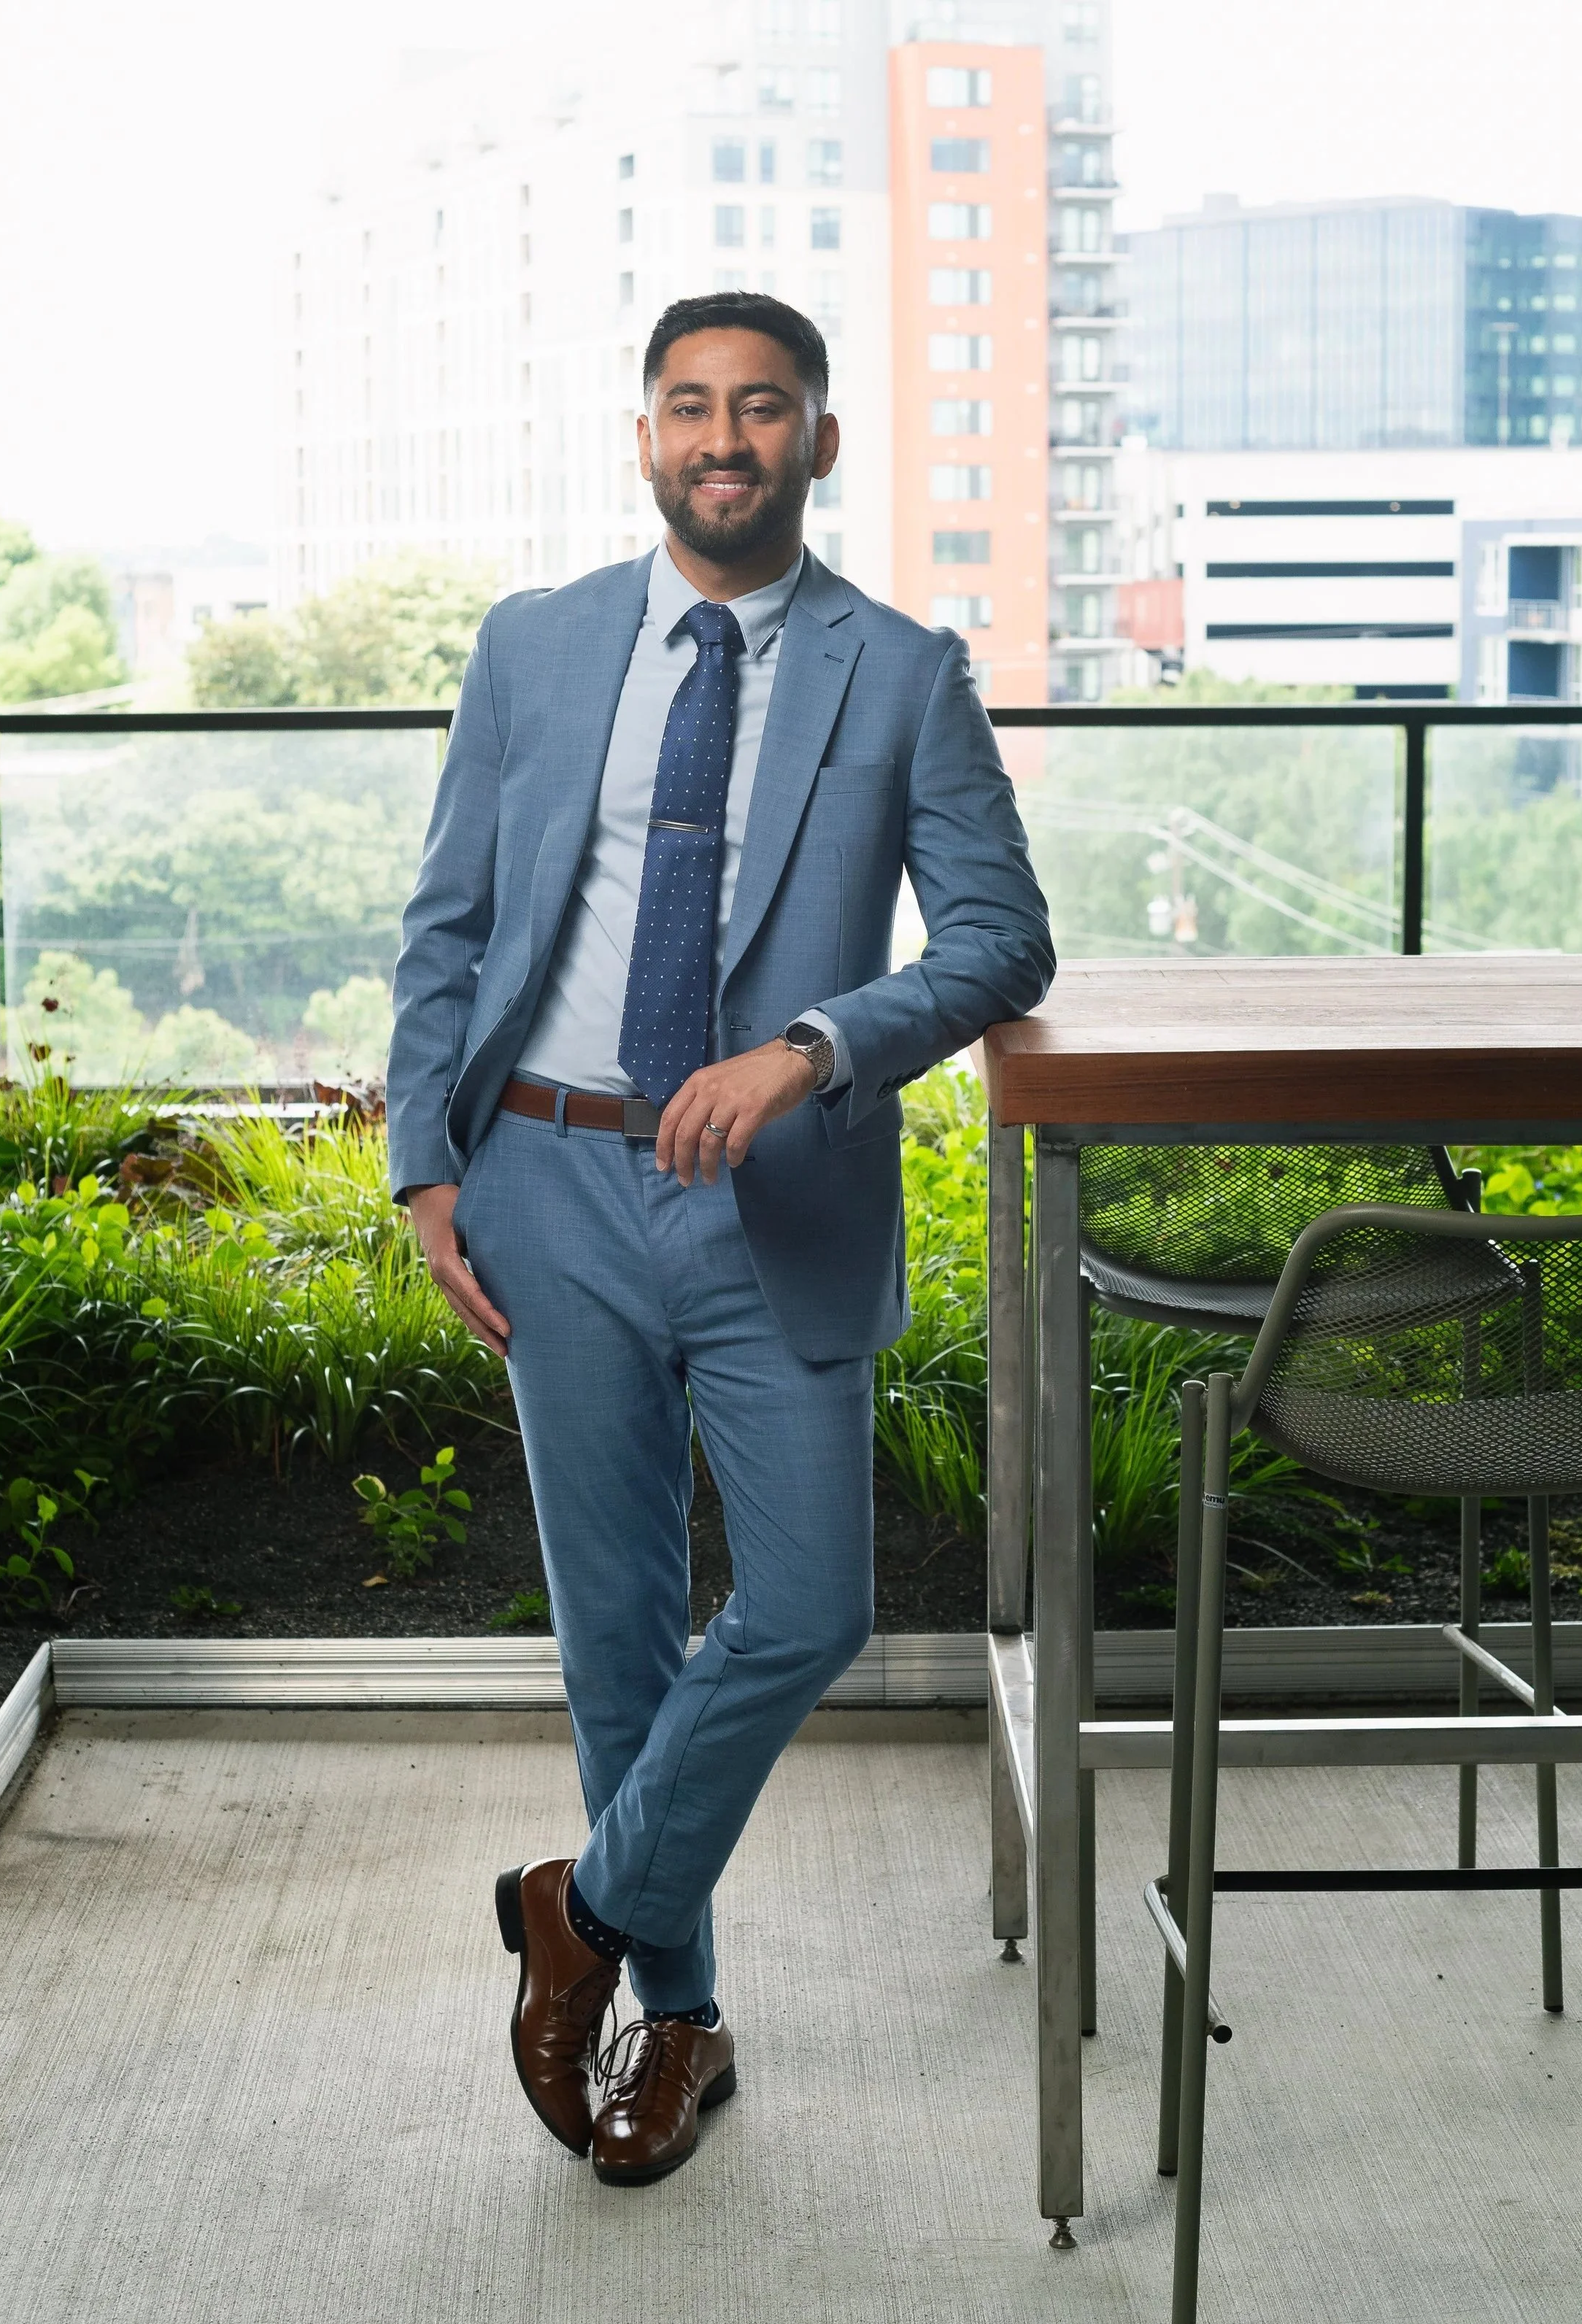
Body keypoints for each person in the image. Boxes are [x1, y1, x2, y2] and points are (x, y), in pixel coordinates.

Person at [387, 290, 1053, 2187]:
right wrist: (424, 1166)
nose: (726, 437)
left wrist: (813, 1048)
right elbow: (448, 922)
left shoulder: (902, 672)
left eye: (763, 407)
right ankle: (672, 2026)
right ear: (646, 434)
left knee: (809, 1605)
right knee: (613, 1638)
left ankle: (572, 1906)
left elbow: (999, 938)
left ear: (819, 441)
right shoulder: (530, 650)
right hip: (545, 1180)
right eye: (691, 405)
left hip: (778, 1195)